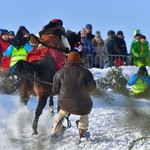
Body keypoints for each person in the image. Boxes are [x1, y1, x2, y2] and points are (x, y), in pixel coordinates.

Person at [51, 51, 96, 141]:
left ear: (67, 60)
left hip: (65, 104)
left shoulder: (59, 72)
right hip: (83, 104)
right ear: (79, 60)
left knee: (61, 114)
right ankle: (82, 132)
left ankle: (55, 134)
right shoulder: (86, 72)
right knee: (84, 114)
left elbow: (55, 90)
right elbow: (92, 88)